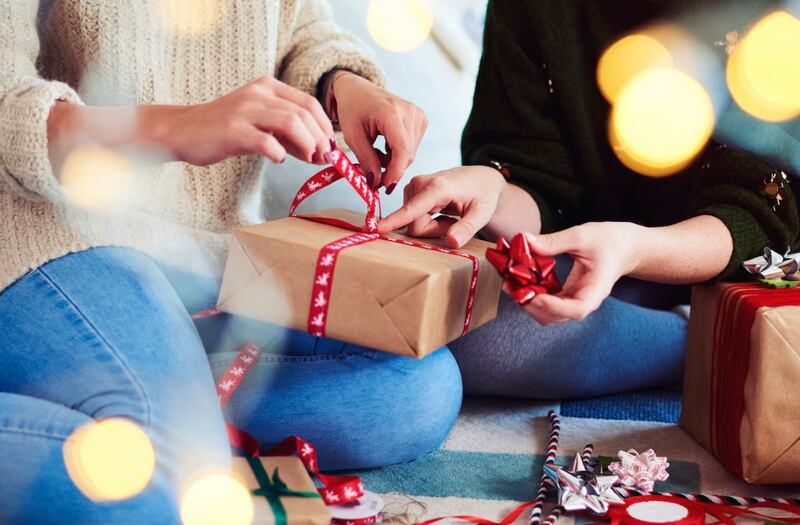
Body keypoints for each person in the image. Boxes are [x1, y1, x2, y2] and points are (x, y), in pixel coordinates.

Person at [0, 1, 456, 523]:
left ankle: (153, 404)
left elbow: (298, 25)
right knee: (145, 479)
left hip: (213, 260)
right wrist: (179, 126)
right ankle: (161, 432)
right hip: (55, 236)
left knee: (415, 390)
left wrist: (341, 82)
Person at [379, 0, 799, 399]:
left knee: (472, 341)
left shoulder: (771, 25)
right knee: (445, 316)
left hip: (741, 280)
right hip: (590, 260)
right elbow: (540, 184)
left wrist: (635, 250)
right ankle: (695, 347)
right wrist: (494, 189)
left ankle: (712, 346)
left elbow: (762, 211)